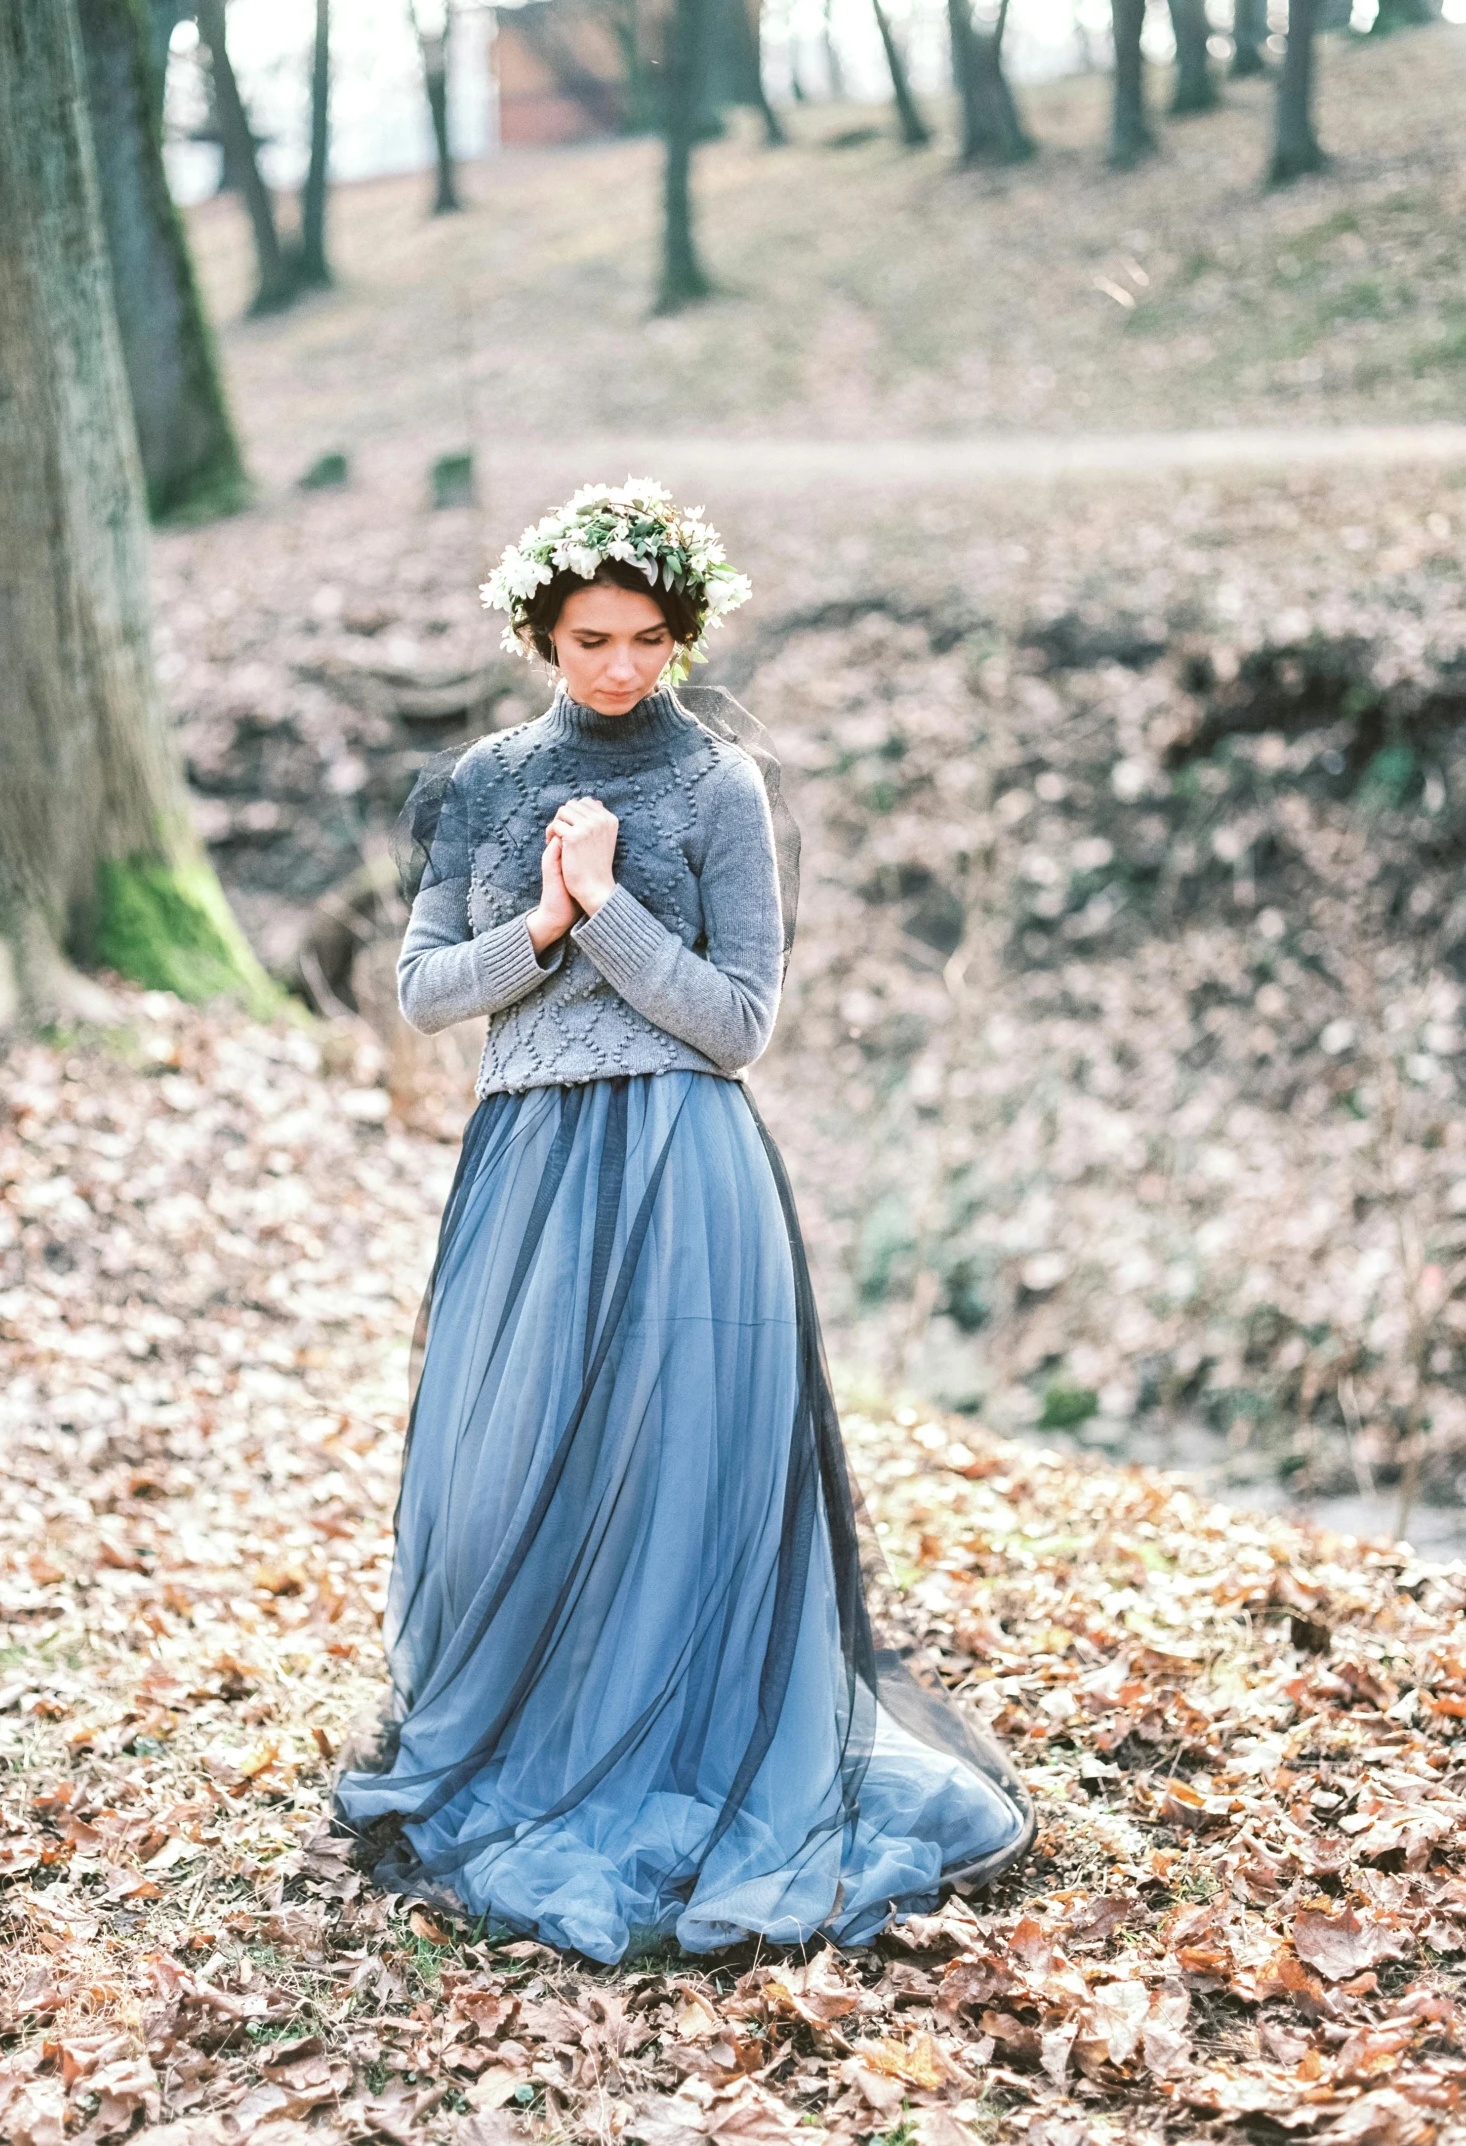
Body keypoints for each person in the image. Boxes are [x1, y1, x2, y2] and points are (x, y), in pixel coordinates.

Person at [332, 480, 1030, 1963]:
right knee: (514, 1460)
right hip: (529, 1169)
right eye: (592, 638)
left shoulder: (720, 786)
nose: (623, 668)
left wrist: (610, 908)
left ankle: (690, 1739)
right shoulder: (481, 785)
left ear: (683, 633)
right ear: (541, 633)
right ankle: (533, 1730)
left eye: (650, 639)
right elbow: (422, 989)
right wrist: (535, 921)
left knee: (682, 1462)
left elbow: (740, 1022)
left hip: (684, 1161)